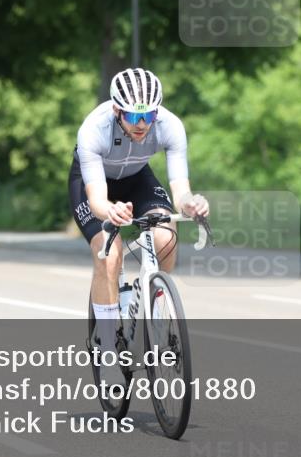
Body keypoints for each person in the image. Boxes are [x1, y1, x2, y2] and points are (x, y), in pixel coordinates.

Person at [69, 68, 209, 378]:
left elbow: (181, 191)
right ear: (117, 110)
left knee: (165, 235)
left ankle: (157, 306)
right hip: (94, 186)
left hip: (137, 180)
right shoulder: (93, 128)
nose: (143, 124)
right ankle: (107, 347)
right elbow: (96, 201)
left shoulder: (170, 126)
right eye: (134, 117)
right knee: (109, 253)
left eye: (149, 115)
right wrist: (110, 212)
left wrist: (192, 203)